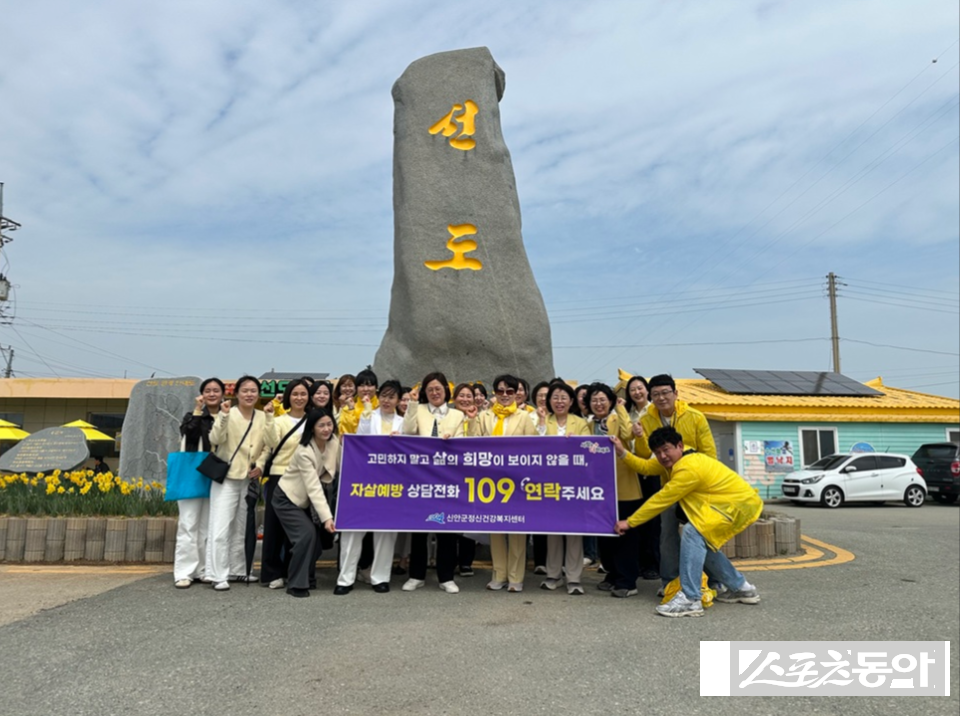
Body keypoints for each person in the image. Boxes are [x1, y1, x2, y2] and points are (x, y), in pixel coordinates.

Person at [612, 427, 762, 618]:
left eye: (666, 449)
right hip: (728, 504)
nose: (662, 456)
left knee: (693, 532)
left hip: (735, 505)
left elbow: (661, 499)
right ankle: (741, 588)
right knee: (701, 542)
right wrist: (622, 452)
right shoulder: (678, 459)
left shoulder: (688, 468)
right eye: (658, 452)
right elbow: (646, 467)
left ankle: (691, 599)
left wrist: (630, 522)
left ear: (679, 446)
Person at [634, 374, 717, 594]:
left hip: (697, 488)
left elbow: (710, 454)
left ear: (675, 394)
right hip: (668, 487)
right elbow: (644, 454)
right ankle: (669, 581)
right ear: (650, 398)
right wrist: (640, 437)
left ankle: (715, 580)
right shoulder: (648, 419)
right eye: (656, 395)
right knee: (667, 535)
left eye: (665, 393)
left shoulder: (695, 417)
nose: (661, 398)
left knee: (700, 534)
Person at [206, 375, 277, 591]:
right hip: (227, 478)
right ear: (236, 393)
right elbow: (215, 440)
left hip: (249, 479)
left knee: (243, 526)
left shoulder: (263, 416)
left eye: (253, 390)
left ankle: (238, 569)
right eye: (245, 390)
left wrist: (261, 465)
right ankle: (217, 574)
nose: (249, 394)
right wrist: (224, 416)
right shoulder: (228, 413)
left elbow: (270, 445)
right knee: (220, 525)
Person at [468, 373, 536, 592]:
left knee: (517, 529)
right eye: (500, 391)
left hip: (516, 481)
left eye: (509, 391)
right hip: (491, 481)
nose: (505, 395)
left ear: (517, 394)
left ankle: (516, 577)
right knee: (496, 528)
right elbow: (473, 443)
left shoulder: (525, 417)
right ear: (494, 393)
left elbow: (534, 447)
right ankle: (499, 574)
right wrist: (471, 420)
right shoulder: (485, 416)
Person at [401, 372, 467, 594]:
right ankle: (416, 575)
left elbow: (463, 441)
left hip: (448, 478)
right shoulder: (418, 410)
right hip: (421, 478)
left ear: (446, 391)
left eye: (438, 389)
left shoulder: (458, 414)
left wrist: (451, 439)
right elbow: (408, 431)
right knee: (419, 528)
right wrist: (411, 404)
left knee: (446, 529)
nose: (435, 393)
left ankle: (446, 577)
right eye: (430, 389)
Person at [335, 379, 400, 595]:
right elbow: (358, 441)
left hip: (392, 484)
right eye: (384, 396)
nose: (387, 400)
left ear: (398, 400)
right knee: (353, 529)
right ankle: (345, 578)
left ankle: (380, 577)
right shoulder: (367, 416)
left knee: (386, 531)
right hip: (362, 482)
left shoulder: (404, 422)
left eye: (392, 397)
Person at [272, 409, 338, 598]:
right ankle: (295, 584)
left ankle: (308, 579)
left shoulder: (333, 442)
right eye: (321, 425)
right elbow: (313, 488)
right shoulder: (304, 451)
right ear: (312, 428)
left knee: (315, 542)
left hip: (307, 500)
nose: (326, 429)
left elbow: (343, 463)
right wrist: (327, 518)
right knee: (306, 535)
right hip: (287, 498)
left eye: (329, 424)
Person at [585, 382, 642, 598]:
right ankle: (612, 575)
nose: (598, 403)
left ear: (610, 401)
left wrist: (621, 408)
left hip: (624, 487)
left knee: (625, 536)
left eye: (602, 399)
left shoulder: (618, 418)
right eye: (594, 400)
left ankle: (627, 581)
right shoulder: (590, 424)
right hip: (600, 490)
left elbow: (628, 435)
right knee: (606, 535)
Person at [535, 381, 591, 595]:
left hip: (573, 485)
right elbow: (534, 444)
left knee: (574, 531)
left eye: (563, 398)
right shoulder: (543, 420)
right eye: (555, 397)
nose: (559, 402)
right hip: (548, 484)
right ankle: (553, 574)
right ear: (549, 401)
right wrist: (541, 421)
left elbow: (588, 449)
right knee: (553, 530)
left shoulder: (580, 423)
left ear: (571, 401)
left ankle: (574, 577)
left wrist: (575, 442)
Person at [260, 379, 311, 589]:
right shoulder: (280, 420)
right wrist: (269, 417)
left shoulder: (314, 420)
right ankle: (272, 573)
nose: (299, 398)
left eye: (303, 394)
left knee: (298, 528)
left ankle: (294, 571)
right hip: (279, 476)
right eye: (295, 394)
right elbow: (271, 443)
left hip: (304, 478)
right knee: (274, 526)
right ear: (289, 396)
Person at [173, 377, 223, 589]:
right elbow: (189, 434)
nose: (212, 394)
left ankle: (203, 569)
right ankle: (184, 571)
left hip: (218, 473)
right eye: (208, 390)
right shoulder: (192, 415)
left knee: (208, 525)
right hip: (193, 473)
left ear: (223, 394)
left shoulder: (227, 415)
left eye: (216, 390)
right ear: (202, 394)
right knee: (188, 523)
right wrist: (197, 409)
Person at [624, 374, 660, 581]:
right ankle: (638, 562)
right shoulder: (627, 413)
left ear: (647, 390)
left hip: (653, 468)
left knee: (653, 519)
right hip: (632, 469)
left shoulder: (654, 411)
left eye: (640, 388)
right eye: (632, 390)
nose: (637, 392)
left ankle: (653, 563)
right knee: (635, 517)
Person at [451, 382, 479, 575]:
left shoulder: (480, 417)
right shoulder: (449, 417)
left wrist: (473, 420)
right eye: (461, 395)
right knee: (452, 519)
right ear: (454, 399)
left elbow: (481, 440)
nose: (465, 399)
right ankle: (451, 561)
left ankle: (466, 562)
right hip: (451, 474)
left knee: (470, 519)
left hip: (474, 476)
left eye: (469, 396)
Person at [337, 368, 378, 436]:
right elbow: (347, 433)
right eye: (362, 385)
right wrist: (351, 410)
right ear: (356, 388)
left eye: (369, 385)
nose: (365, 389)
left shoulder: (382, 406)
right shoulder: (348, 408)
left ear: (376, 387)